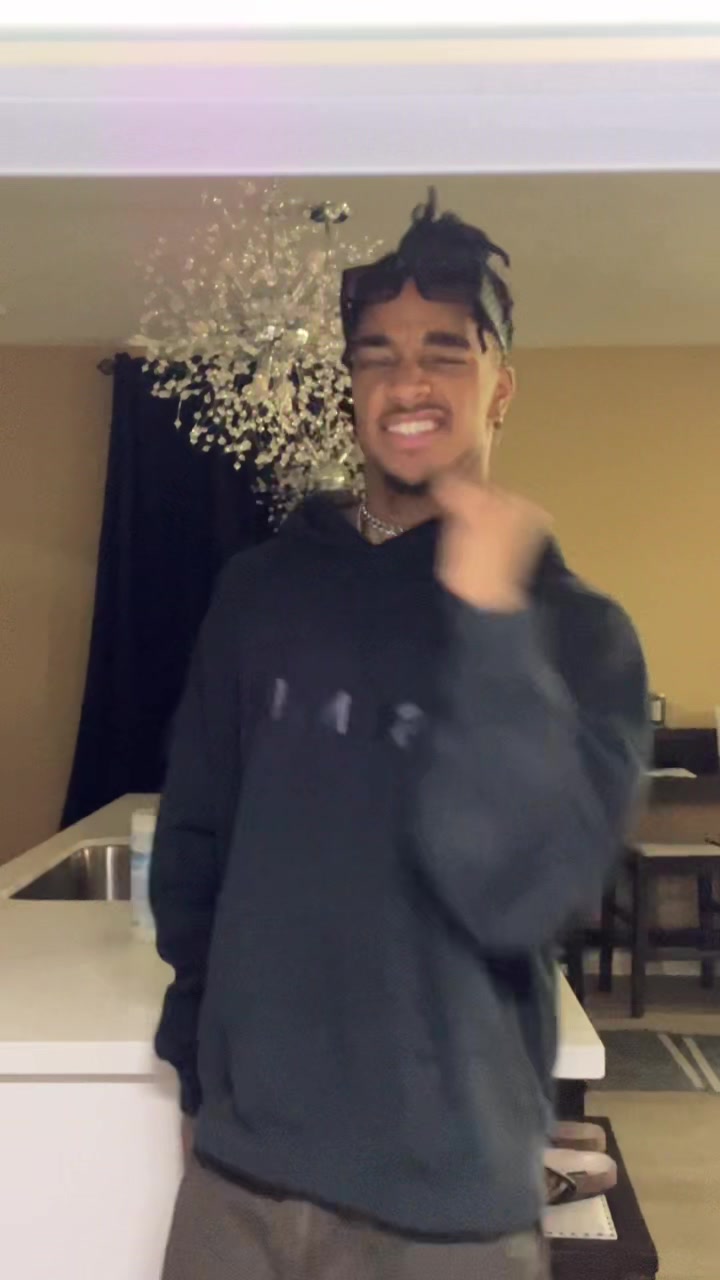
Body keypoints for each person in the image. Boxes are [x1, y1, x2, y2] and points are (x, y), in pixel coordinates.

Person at [151, 191, 648, 1280]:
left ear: (501, 385)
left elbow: (520, 890)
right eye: (377, 354)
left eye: (445, 353)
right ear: (352, 386)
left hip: (447, 1208)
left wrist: (491, 622)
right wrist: (201, 1077)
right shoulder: (260, 594)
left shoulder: (578, 633)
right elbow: (196, 852)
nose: (408, 381)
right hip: (239, 1184)